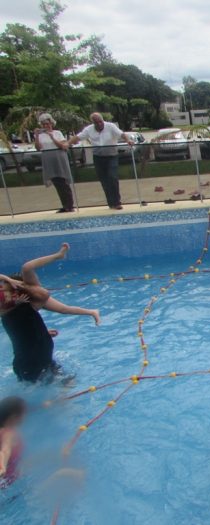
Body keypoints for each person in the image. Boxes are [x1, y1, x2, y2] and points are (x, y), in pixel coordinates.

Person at [1, 244, 100, 382]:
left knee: (27, 269)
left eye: (5, 290)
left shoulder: (30, 300)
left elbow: (63, 309)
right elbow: (22, 326)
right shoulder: (17, 306)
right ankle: (91, 311)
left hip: (35, 356)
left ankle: (59, 256)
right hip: (34, 355)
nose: (3, 293)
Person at [69, 113, 133, 210]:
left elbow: (122, 134)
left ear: (103, 120)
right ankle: (111, 203)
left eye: (100, 121)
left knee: (112, 177)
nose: (99, 124)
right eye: (96, 122)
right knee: (104, 181)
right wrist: (67, 143)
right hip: (98, 157)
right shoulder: (89, 129)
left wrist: (128, 140)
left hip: (111, 156)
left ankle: (117, 202)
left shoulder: (110, 126)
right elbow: (78, 137)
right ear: (93, 123)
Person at [33, 113, 75, 213]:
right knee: (57, 182)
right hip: (48, 159)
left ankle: (70, 205)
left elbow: (63, 146)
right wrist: (37, 136)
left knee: (63, 182)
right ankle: (65, 205)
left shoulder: (57, 133)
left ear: (51, 123)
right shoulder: (40, 135)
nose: (46, 126)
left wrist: (52, 138)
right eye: (43, 124)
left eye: (47, 124)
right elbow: (38, 148)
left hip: (59, 158)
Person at [0, 396, 26, 489]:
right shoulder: (9, 433)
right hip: (6, 486)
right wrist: (2, 466)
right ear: (14, 417)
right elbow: (5, 450)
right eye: (23, 414)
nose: (25, 417)